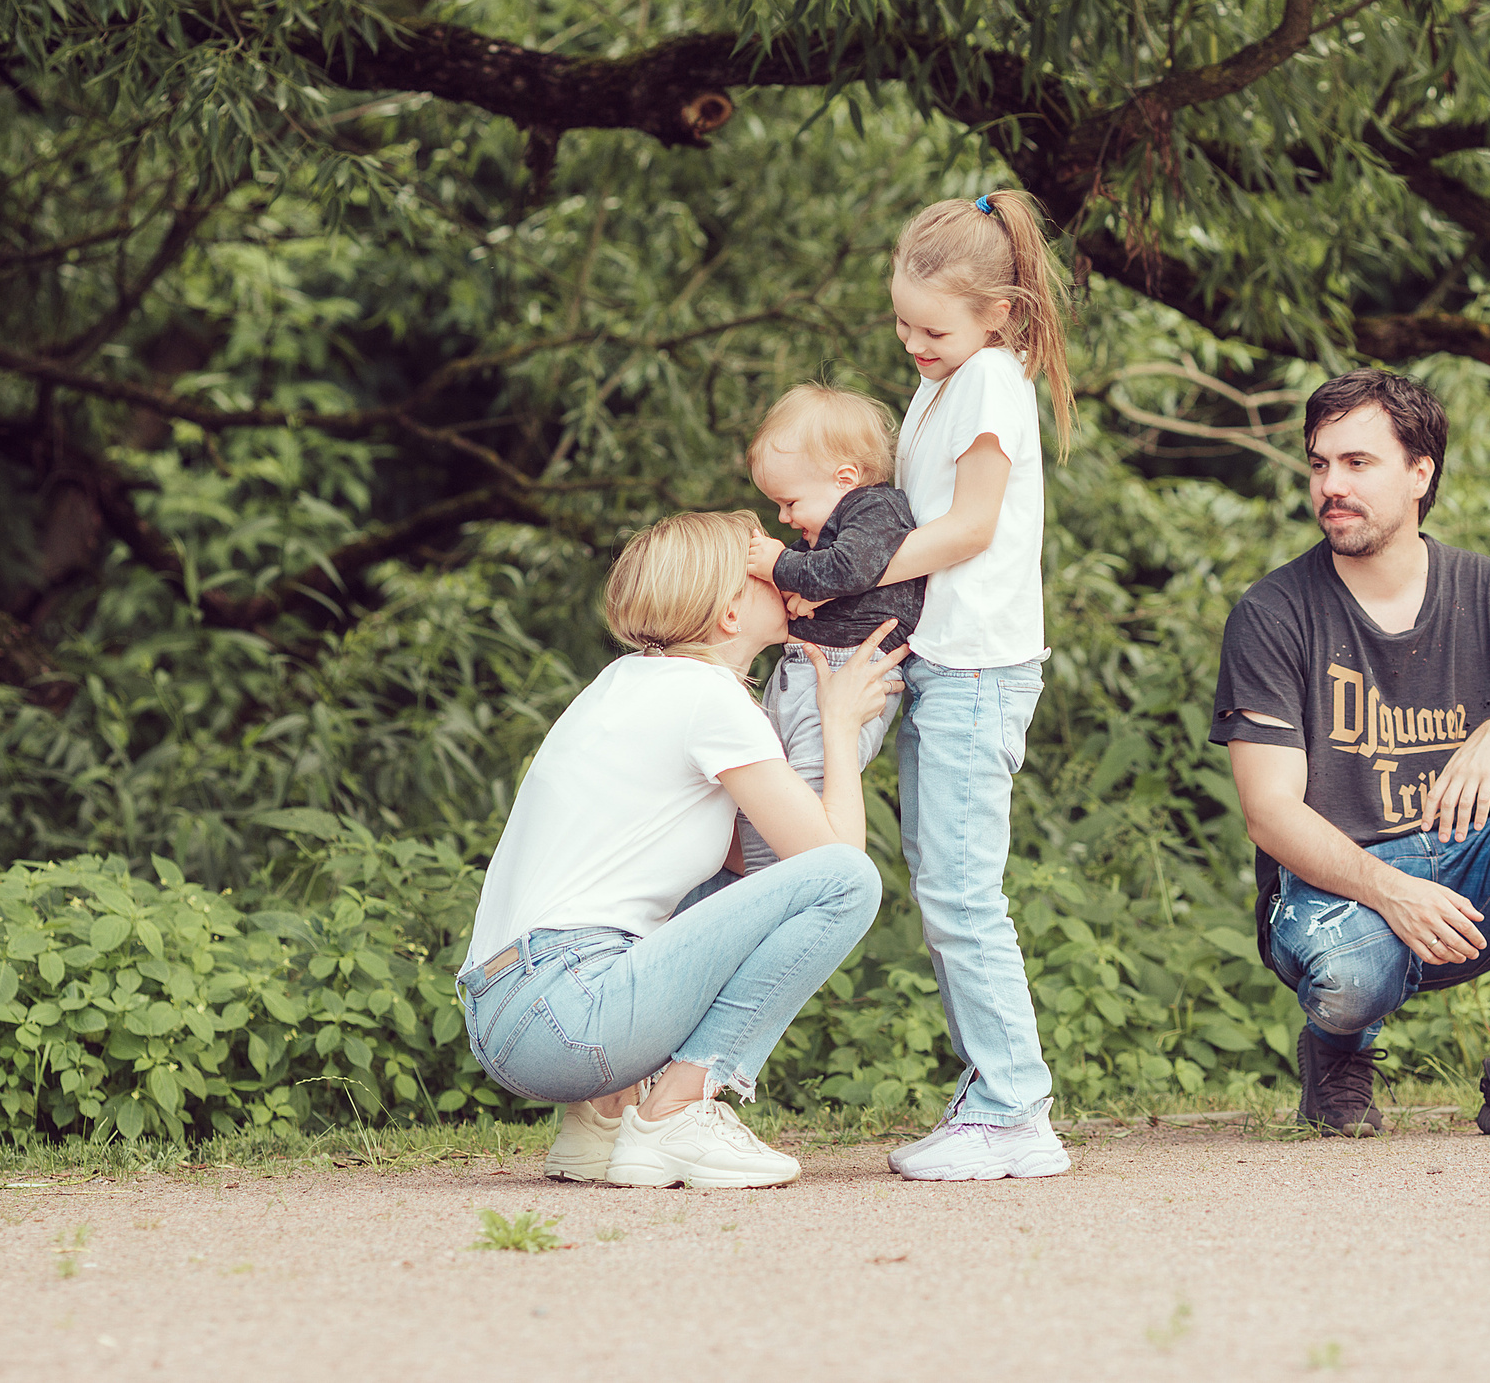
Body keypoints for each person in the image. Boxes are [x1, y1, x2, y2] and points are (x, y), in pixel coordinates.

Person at [1211, 369, 1490, 1137]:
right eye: (1319, 464)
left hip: (1461, 867)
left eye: (1357, 463)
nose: (1330, 486)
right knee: (1352, 977)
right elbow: (1269, 810)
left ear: (1422, 472)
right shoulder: (1274, 612)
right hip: (1332, 888)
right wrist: (1389, 890)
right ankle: (1338, 1051)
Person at [457, 511, 905, 1190]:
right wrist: (838, 724)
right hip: (569, 1010)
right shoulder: (710, 698)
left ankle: (603, 1116)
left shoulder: (625, 682)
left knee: (734, 887)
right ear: (730, 614)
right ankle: (677, 1112)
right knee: (849, 879)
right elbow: (832, 862)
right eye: (761, 571)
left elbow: (742, 872)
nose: (783, 571)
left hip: (508, 1010)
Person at [861, 189, 1077, 1181]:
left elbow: (968, 529)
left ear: (998, 311)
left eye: (930, 327)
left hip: (977, 667)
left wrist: (841, 573)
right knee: (942, 887)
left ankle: (1014, 1109)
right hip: (942, 662)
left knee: (958, 890)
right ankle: (992, 1095)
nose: (913, 341)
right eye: (901, 322)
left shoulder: (988, 375)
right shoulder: (947, 378)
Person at [734, 383, 929, 874]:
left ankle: (780, 889)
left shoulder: (875, 510)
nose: (783, 517)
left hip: (845, 671)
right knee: (764, 797)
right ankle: (755, 889)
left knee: (803, 791)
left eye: (790, 502)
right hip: (807, 668)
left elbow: (849, 569)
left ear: (845, 479)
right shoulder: (832, 525)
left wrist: (781, 564)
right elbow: (825, 572)